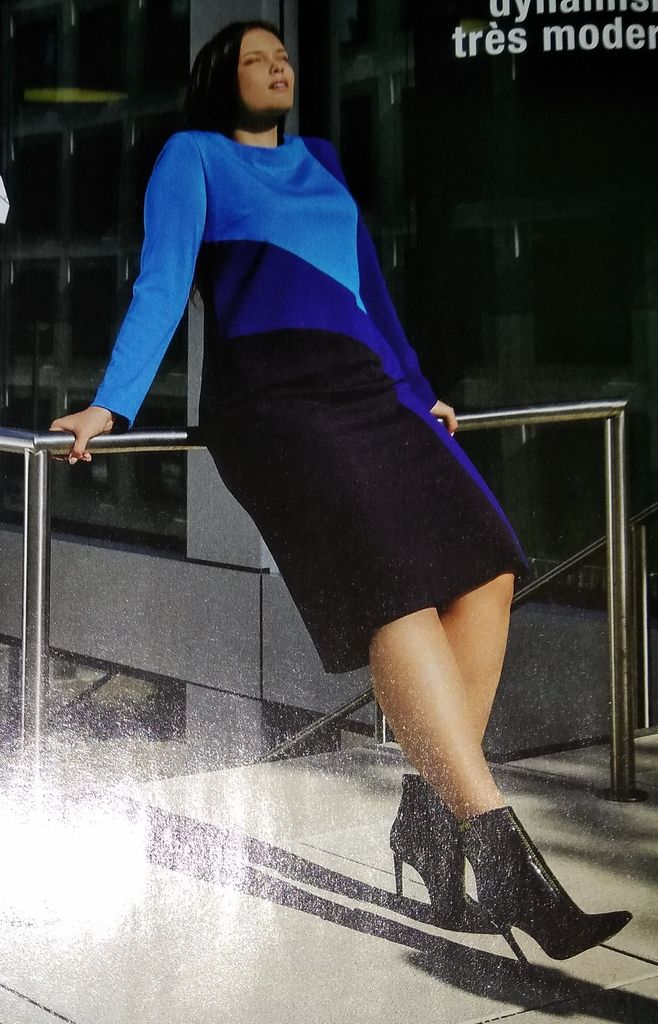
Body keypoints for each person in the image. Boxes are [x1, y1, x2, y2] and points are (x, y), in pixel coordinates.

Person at [50, 20, 631, 960]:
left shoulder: (319, 159)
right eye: (254, 58)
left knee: (487, 565)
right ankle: (500, 853)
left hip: (370, 391)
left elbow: (370, 291)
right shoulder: (191, 156)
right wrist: (111, 406)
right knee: (392, 592)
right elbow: (162, 282)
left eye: (282, 54)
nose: (277, 65)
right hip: (273, 401)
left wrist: (416, 388)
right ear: (221, 80)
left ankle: (428, 819)